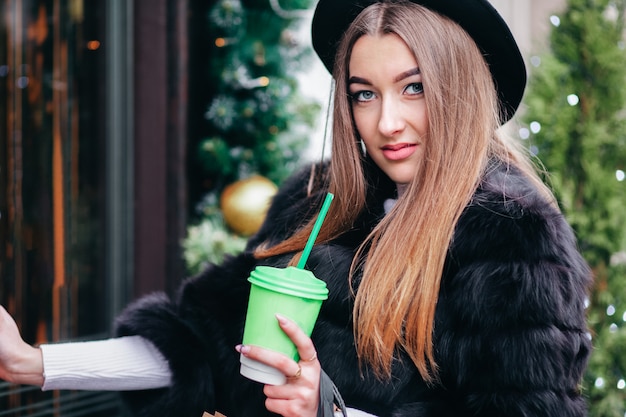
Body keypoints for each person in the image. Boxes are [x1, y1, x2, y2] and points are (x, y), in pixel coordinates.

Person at [0, 0, 592, 416]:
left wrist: (327, 411)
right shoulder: (320, 203)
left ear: (459, 89)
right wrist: (34, 364)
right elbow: (201, 343)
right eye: (364, 94)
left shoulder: (511, 239)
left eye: (413, 87)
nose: (386, 122)